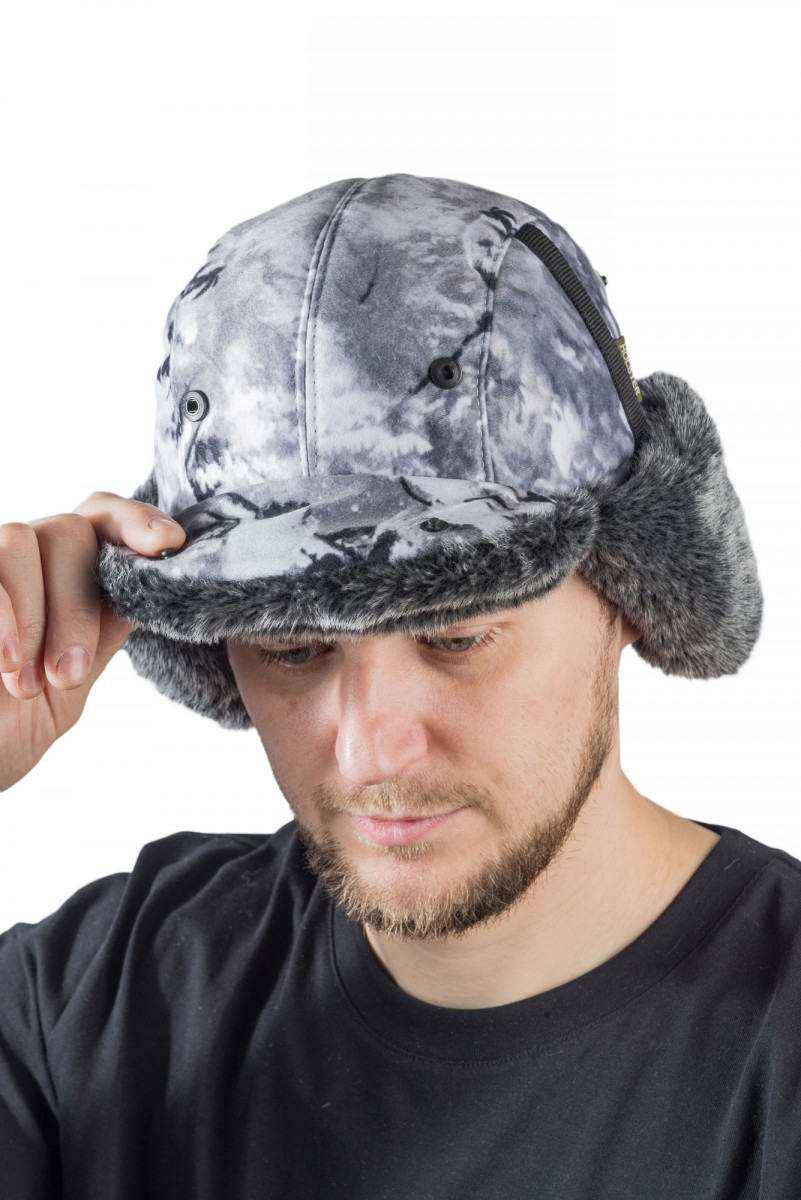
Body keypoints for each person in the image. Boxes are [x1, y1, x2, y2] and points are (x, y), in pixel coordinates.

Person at [0, 172, 798, 1198]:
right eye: (294, 651)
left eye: (456, 636)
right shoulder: (99, 1005)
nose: (372, 748)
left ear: (632, 592)